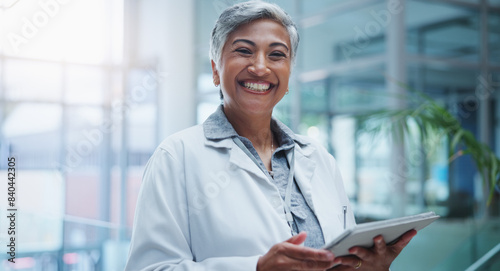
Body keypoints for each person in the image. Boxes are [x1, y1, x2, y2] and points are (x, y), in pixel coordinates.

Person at [125, 1, 416, 270]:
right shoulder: (176, 157)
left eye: (277, 55)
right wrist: (256, 268)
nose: (260, 67)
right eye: (243, 51)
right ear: (216, 70)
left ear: (288, 74)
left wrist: (367, 267)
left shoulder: (319, 158)